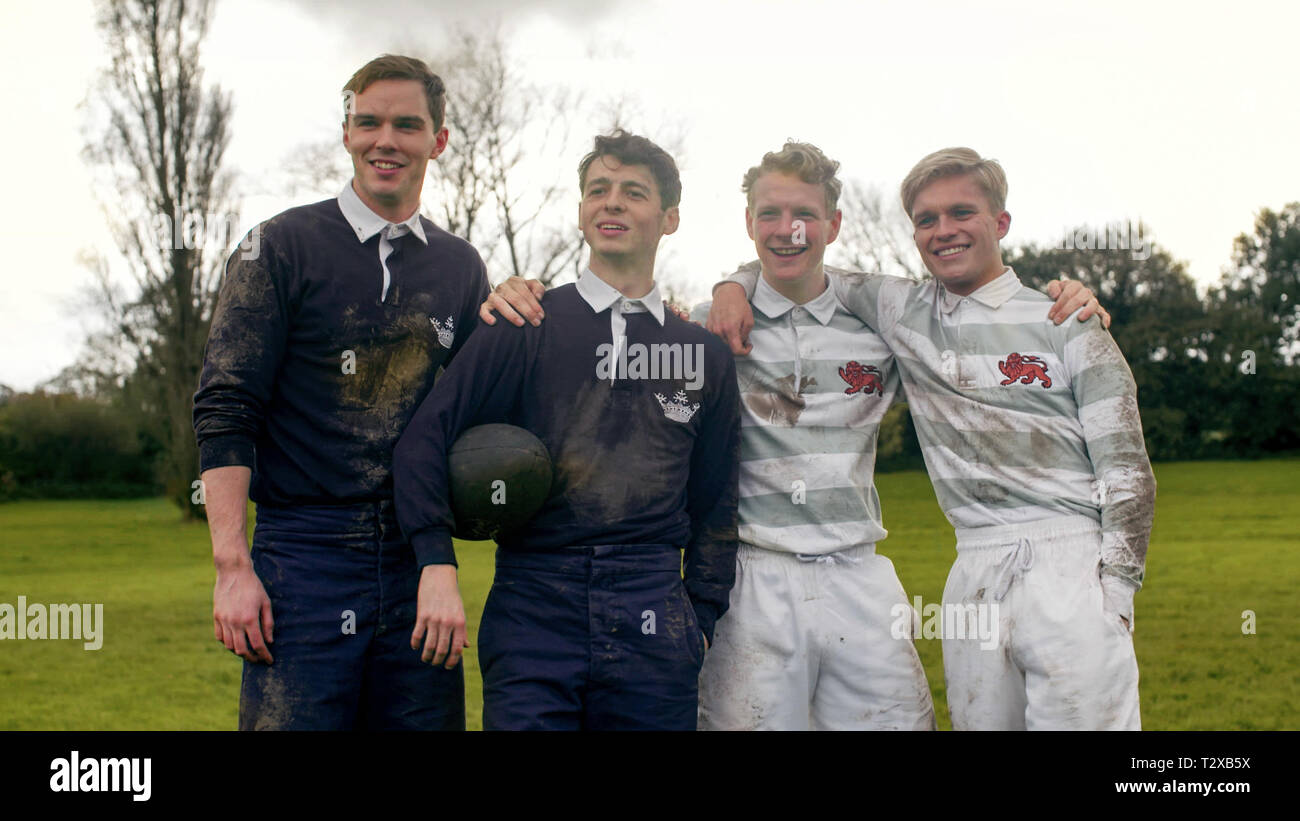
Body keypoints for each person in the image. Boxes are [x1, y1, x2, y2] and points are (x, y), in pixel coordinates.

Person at [710, 147, 1154, 730]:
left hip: (1068, 563)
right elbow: (799, 262)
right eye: (926, 220)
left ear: (1000, 223)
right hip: (971, 566)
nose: (943, 231)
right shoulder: (905, 310)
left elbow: (1125, 466)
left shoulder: (1065, 318)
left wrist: (1115, 599)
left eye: (961, 213)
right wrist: (732, 284)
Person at [392, 130, 741, 731]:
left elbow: (717, 502)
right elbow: (424, 439)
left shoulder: (702, 352)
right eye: (598, 190)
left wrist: (700, 619)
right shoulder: (522, 324)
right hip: (535, 601)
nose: (612, 202)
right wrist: (435, 562)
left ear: (670, 218)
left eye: (633, 192)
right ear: (582, 212)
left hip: (653, 604)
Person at [193, 54, 491, 730]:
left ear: (437, 142)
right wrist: (232, 565)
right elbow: (226, 404)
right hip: (303, 557)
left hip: (416, 563)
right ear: (348, 132)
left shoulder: (460, 266)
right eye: (369, 122)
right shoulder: (276, 247)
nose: (386, 140)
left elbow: (488, 411)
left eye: (407, 125)